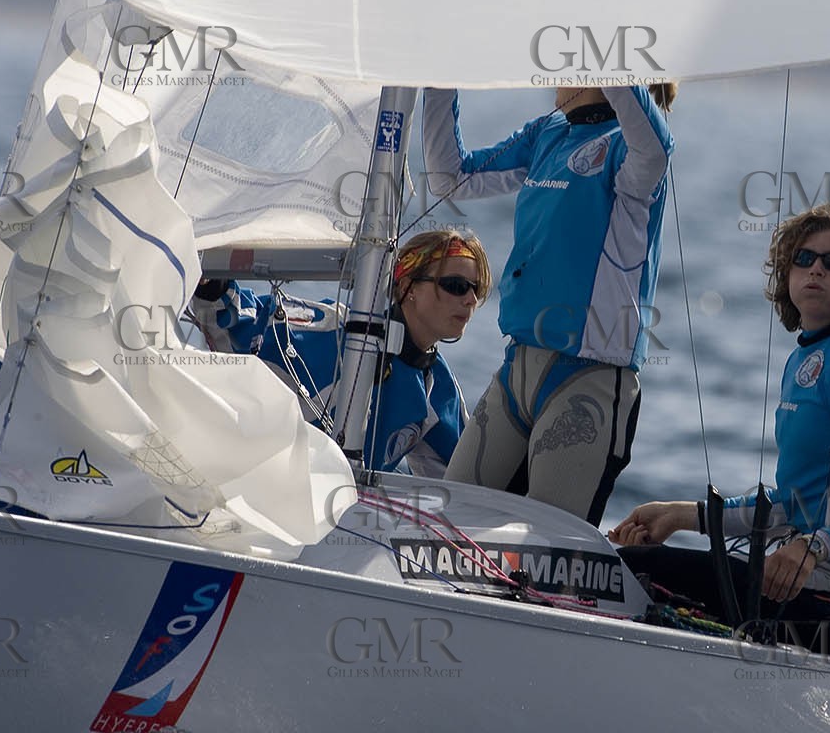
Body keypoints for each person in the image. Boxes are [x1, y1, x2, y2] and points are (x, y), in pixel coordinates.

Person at [609, 202, 830, 662]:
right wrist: (681, 515)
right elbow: (794, 506)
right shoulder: (809, 358)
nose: (815, 269)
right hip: (820, 574)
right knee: (628, 570)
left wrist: (813, 546)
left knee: (631, 572)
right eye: (803, 259)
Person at [423, 81, 676, 525]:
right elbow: (451, 178)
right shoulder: (549, 133)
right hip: (518, 370)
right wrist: (437, 78)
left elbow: (656, 148)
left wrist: (607, 48)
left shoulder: (632, 150)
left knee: (544, 548)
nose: (555, 72)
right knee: (447, 522)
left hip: (589, 378)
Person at [190, 229, 490, 477]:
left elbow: (460, 485)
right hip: (272, 496)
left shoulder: (438, 387)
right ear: (408, 287)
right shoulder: (336, 332)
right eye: (456, 286)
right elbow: (245, 319)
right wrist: (209, 280)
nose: (470, 300)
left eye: (476, 289)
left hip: (354, 523)